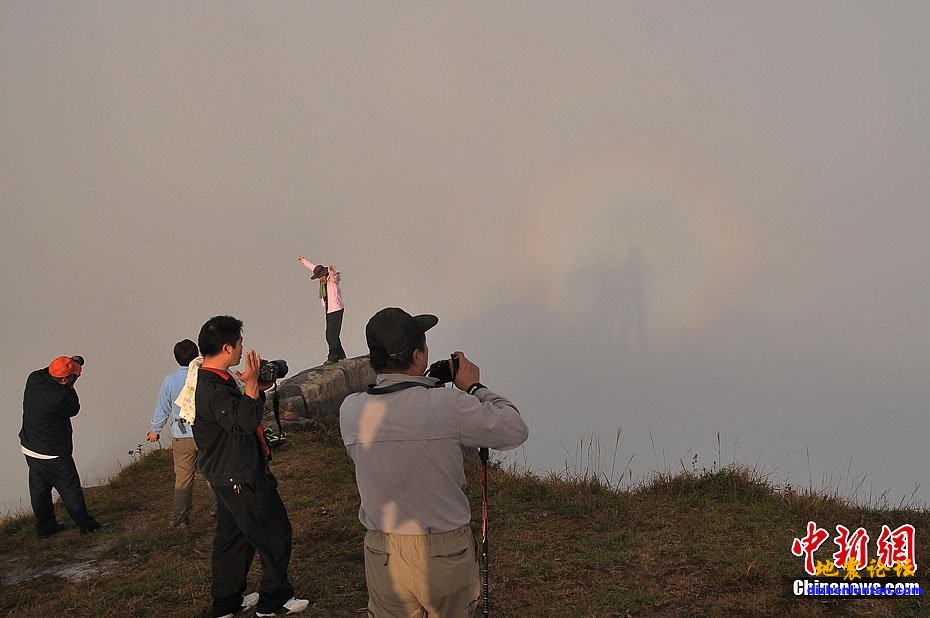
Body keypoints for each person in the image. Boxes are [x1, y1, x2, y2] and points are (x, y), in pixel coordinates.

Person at [340, 308, 529, 617]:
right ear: (418, 355)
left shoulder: (351, 410)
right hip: (442, 550)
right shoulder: (449, 405)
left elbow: (401, 408)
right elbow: (514, 429)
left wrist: (423, 384)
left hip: (382, 550)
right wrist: (473, 387)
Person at [191, 315, 308, 617]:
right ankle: (274, 601)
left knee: (234, 539)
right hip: (240, 475)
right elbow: (242, 423)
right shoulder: (214, 389)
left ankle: (226, 603)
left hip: (224, 474)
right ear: (227, 347)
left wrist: (252, 386)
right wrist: (253, 386)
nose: (243, 348)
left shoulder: (210, 378)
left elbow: (237, 415)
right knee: (275, 534)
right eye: (240, 343)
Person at [19, 355, 104, 537]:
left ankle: (45, 528)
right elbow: (74, 409)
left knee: (39, 489)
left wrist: (69, 364)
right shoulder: (61, 396)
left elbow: (50, 371)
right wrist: (71, 386)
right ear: (65, 379)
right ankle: (86, 525)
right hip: (54, 453)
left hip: (30, 447)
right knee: (69, 488)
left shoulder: (34, 378)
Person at [146, 338, 216, 527]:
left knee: (183, 478)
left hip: (181, 434)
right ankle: (218, 512)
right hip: (206, 432)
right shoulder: (204, 375)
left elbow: (163, 408)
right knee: (212, 473)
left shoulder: (169, 381)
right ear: (197, 355)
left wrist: (155, 430)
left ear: (176, 358)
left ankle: (180, 520)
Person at [297, 256, 346, 364]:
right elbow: (312, 267)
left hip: (336, 309)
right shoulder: (323, 283)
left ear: (325, 274)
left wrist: (331, 269)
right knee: (333, 333)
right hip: (329, 309)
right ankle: (340, 353)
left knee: (330, 334)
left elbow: (333, 275)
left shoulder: (332, 281)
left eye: (320, 277)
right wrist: (303, 261)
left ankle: (333, 356)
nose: (319, 279)